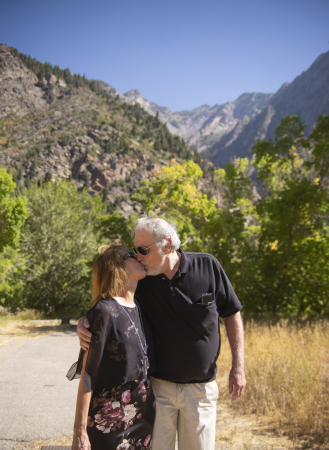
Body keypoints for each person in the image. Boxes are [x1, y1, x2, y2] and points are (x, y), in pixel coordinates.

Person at [78, 217, 246, 450]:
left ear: (167, 245)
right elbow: (111, 302)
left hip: (200, 390)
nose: (138, 256)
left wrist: (238, 366)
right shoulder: (142, 279)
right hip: (157, 390)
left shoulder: (207, 266)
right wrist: (85, 322)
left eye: (143, 250)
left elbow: (232, 313)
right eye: (135, 250)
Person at [69, 244, 156, 450]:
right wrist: (79, 432)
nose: (138, 258)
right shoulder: (104, 311)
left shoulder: (141, 307)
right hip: (109, 418)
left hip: (144, 416)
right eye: (130, 255)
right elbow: (88, 374)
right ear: (116, 267)